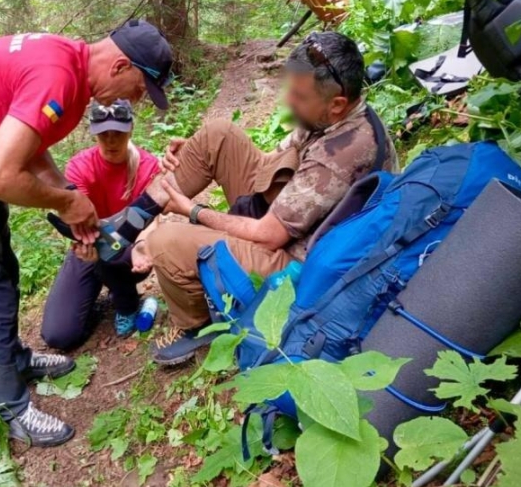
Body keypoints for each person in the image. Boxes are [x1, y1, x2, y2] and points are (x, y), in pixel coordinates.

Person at [0, 20, 173, 446]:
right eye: (138, 89)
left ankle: (16, 360)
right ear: (119, 65)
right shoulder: (58, 78)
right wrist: (65, 201)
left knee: (2, 267)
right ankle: (12, 409)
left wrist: (67, 193)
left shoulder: (68, 65)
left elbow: (28, 144)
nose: (136, 101)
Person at [135, 31, 398, 365]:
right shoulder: (329, 118)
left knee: (166, 241)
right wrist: (199, 150)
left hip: (300, 263)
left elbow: (270, 234)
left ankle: (197, 325)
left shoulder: (342, 152)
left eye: (299, 96)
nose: (288, 101)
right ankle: (139, 215)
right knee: (219, 135)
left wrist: (194, 212)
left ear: (336, 103)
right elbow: (274, 158)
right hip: (294, 215)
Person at [41, 100, 160, 349]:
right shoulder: (80, 166)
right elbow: (75, 217)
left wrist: (142, 244)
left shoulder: (148, 166)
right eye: (103, 134)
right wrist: (81, 240)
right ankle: (95, 297)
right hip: (92, 246)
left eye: (118, 132)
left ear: (130, 130)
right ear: (93, 133)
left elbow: (154, 217)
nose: (111, 140)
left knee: (115, 253)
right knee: (58, 334)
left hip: (130, 248)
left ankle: (127, 303)